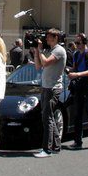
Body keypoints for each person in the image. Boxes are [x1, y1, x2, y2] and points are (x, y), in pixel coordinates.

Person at [32, 28, 66, 158]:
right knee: (47, 116)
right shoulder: (50, 50)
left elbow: (45, 63)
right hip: (46, 86)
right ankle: (56, 146)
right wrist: (37, 51)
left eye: (49, 37)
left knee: (47, 118)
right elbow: (38, 66)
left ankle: (47, 149)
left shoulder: (59, 50)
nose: (46, 39)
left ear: (56, 38)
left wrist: (40, 50)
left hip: (53, 87)